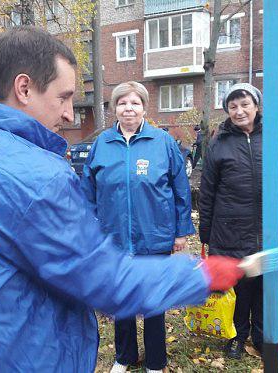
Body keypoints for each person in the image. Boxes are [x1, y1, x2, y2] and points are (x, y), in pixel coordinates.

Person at [0, 26, 245, 372]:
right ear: (24, 88)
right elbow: (103, 280)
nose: (68, 114)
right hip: (24, 358)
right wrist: (199, 276)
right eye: (63, 97)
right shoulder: (35, 175)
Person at [81, 82, 193, 373]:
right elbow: (88, 192)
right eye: (122, 103)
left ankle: (155, 361)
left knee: (154, 302)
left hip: (153, 235)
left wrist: (181, 231)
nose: (128, 108)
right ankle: (124, 357)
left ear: (144, 107)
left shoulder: (162, 142)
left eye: (134, 103)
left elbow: (180, 189)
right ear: (114, 108)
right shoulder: (102, 145)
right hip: (114, 238)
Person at [198, 83, 278, 360]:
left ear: (256, 105)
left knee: (265, 285)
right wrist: (206, 232)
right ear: (227, 111)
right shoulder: (219, 142)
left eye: (244, 104)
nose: (239, 111)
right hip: (230, 228)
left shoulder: (277, 136)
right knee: (239, 287)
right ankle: (237, 336)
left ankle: (262, 337)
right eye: (233, 106)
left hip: (269, 227)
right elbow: (208, 188)